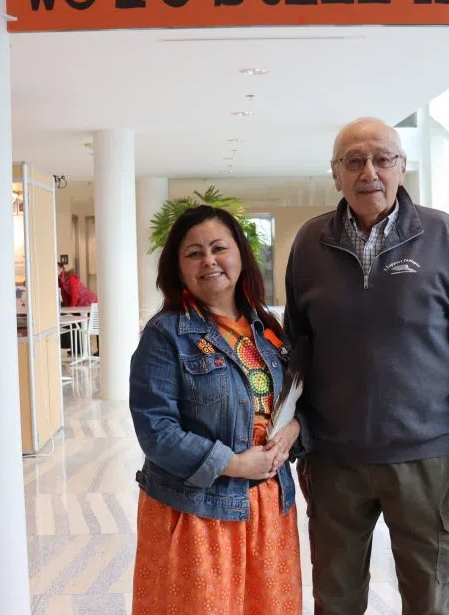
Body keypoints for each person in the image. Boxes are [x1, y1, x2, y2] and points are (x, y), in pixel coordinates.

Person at [284, 117, 449, 615]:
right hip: (335, 462)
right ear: (336, 173)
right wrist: (298, 439)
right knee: (335, 601)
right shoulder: (309, 244)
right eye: (354, 161)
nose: (369, 171)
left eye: (382, 158)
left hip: (425, 460)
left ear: (402, 167)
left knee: (430, 600)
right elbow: (296, 354)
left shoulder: (441, 236)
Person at [128, 205, 304, 615]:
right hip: (197, 510)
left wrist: (295, 429)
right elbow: (157, 432)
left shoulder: (268, 328)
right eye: (194, 253)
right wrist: (234, 465)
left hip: (270, 506)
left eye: (219, 248)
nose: (209, 260)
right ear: (178, 267)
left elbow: (297, 401)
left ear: (241, 255)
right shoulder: (165, 335)